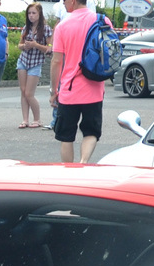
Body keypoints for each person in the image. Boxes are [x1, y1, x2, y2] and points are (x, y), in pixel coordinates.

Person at [48, 0, 104, 163]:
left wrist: (54, 91)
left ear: (73, 1)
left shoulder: (63, 26)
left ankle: (69, 172)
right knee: (91, 132)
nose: (63, 4)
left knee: (66, 136)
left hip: (69, 90)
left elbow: (56, 61)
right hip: (94, 88)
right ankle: (83, 162)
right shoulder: (101, 20)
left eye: (64, 1)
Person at [17, 3, 50, 128]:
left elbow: (49, 48)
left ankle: (37, 119)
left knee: (29, 93)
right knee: (23, 91)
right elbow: (19, 45)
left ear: (39, 14)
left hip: (36, 63)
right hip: (23, 61)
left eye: (34, 13)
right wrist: (24, 46)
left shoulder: (46, 29)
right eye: (29, 13)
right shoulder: (26, 27)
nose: (31, 16)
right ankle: (25, 119)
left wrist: (36, 45)